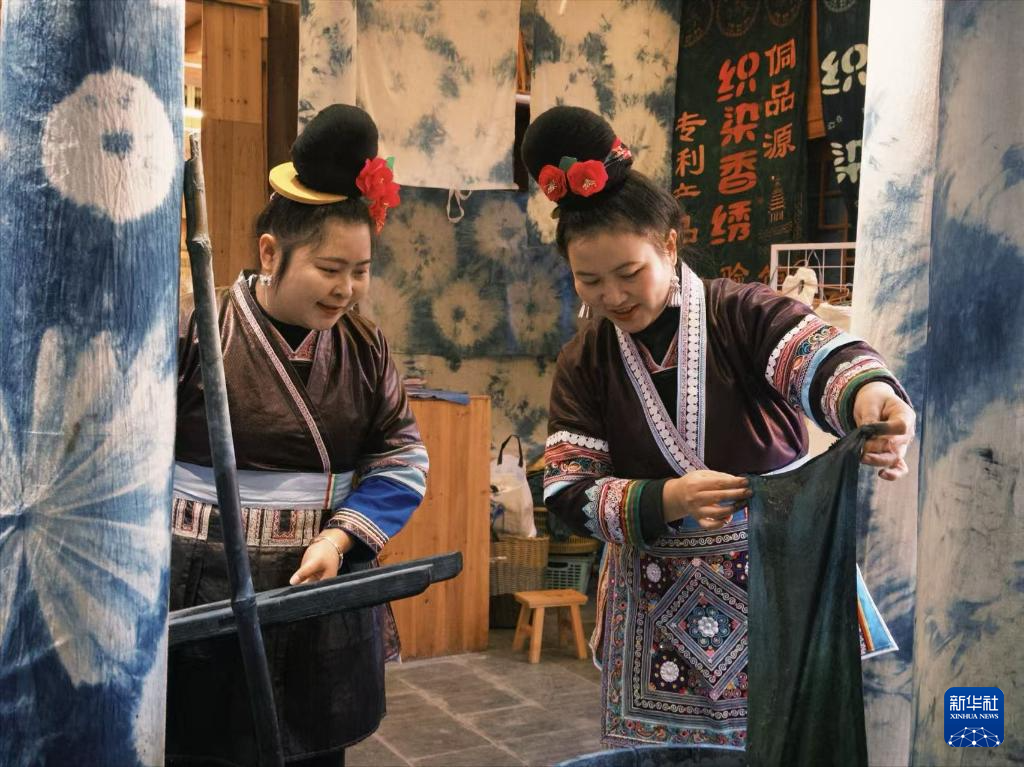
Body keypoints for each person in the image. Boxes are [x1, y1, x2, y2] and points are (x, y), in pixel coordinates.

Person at [522, 106, 915, 752]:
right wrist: (668, 498)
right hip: (655, 611)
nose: (612, 296)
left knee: (793, 750)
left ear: (670, 245)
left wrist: (870, 397)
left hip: (775, 584)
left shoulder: (741, 314)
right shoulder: (584, 359)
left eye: (629, 274)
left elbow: (815, 357)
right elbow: (567, 491)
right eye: (588, 281)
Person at [167, 104, 426, 766]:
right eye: (330, 268)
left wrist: (338, 539)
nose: (347, 289)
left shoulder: (365, 347)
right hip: (203, 586)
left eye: (360, 270)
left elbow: (401, 458)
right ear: (270, 253)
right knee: (201, 746)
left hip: (319, 588)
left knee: (312, 750)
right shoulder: (197, 330)